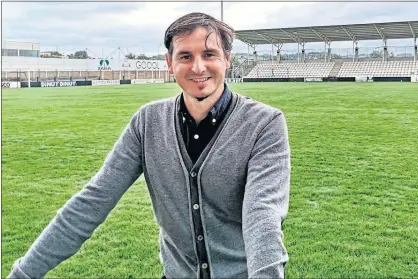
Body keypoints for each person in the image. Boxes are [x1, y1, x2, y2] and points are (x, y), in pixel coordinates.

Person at [7, 12, 291, 279]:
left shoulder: (264, 124)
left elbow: (262, 219)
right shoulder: (147, 122)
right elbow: (92, 202)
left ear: (227, 59)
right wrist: (23, 274)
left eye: (209, 54)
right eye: (185, 56)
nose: (198, 67)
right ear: (170, 63)